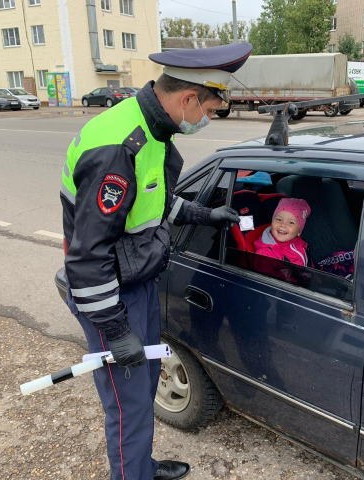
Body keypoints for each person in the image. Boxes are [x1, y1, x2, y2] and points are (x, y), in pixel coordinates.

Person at [60, 42, 252, 480]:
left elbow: (152, 203)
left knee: (144, 388)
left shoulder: (154, 132)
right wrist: (115, 329)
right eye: (210, 109)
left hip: (136, 282)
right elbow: (87, 259)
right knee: (128, 406)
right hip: (110, 293)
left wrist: (207, 215)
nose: (207, 118)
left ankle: (140, 467)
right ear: (188, 99)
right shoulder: (118, 148)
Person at [254, 198, 311, 266]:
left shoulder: (298, 241)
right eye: (279, 219)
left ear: (299, 231)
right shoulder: (264, 254)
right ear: (272, 222)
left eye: (291, 222)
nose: (283, 225)